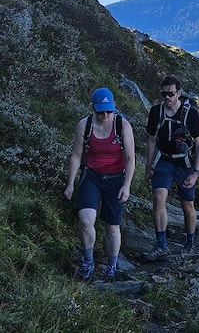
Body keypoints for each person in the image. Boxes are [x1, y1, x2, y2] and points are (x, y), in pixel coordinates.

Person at [64, 87, 136, 282]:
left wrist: (126, 185)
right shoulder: (85, 125)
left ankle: (112, 266)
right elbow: (76, 155)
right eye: (100, 111)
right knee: (86, 219)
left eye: (108, 111)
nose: (105, 115)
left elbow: (130, 158)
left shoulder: (122, 125)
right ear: (93, 108)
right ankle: (88, 260)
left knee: (112, 226)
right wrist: (70, 183)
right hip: (92, 176)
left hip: (116, 179)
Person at [143, 76, 199, 259]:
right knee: (158, 197)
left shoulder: (191, 114)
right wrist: (148, 168)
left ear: (179, 93)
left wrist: (196, 173)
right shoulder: (156, 112)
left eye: (171, 94)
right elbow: (152, 140)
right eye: (164, 94)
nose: (167, 97)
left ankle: (190, 242)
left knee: (187, 205)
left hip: (185, 164)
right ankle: (161, 245)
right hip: (164, 161)